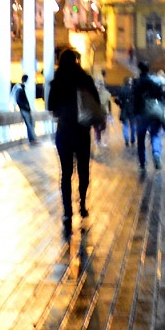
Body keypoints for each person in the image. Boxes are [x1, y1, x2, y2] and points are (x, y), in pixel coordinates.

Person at [48, 47, 104, 226]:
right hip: (81, 130)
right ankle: (82, 204)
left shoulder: (57, 81)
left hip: (64, 131)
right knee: (83, 169)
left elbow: (51, 107)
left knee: (66, 173)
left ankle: (67, 211)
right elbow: (96, 102)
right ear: (76, 61)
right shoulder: (85, 79)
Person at [127, 60, 165, 173]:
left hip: (141, 112)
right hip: (153, 110)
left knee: (141, 138)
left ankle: (142, 163)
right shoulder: (154, 81)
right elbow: (161, 95)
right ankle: (156, 152)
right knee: (155, 134)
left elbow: (133, 98)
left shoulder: (136, 83)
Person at [12, 74, 37, 144]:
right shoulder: (19, 88)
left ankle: (32, 139)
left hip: (26, 109)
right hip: (24, 109)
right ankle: (33, 139)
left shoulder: (21, 88)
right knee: (29, 124)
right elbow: (19, 100)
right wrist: (25, 106)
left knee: (30, 124)